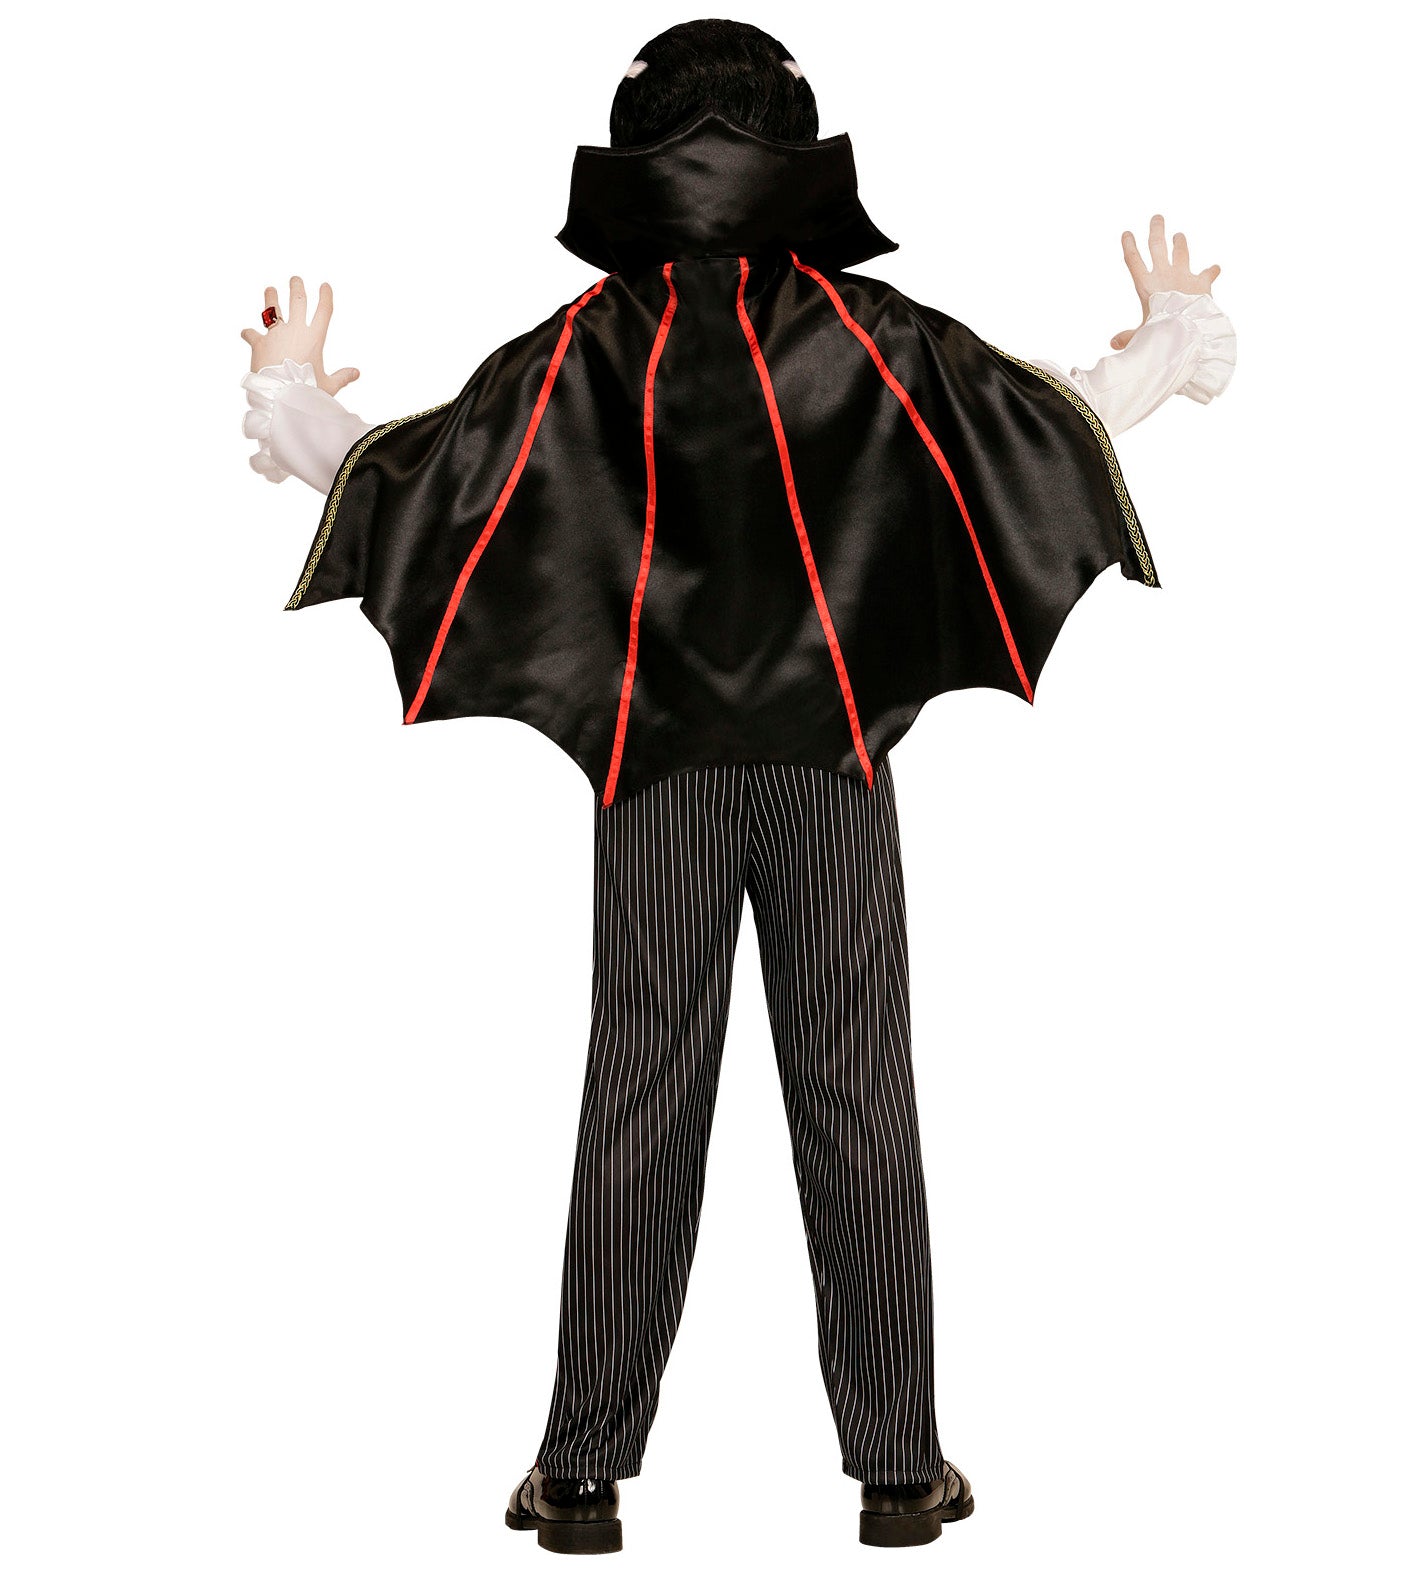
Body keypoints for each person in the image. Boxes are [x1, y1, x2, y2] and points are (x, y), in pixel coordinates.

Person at [237, 19, 1235, 1554]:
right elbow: (1035, 429)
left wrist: (296, 399)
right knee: (856, 1088)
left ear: (634, 154)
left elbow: (438, 485)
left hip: (655, 772)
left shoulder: (586, 345)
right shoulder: (871, 334)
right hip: (834, 758)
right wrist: (1166, 339)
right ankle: (897, 1470)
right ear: (798, 149)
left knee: (638, 1091)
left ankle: (581, 1473)